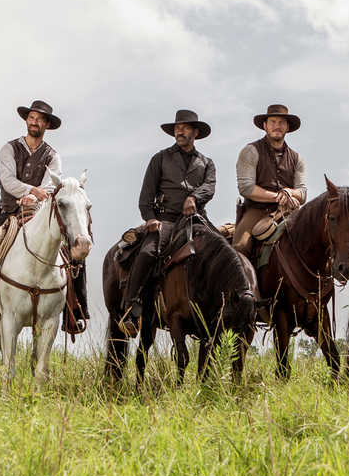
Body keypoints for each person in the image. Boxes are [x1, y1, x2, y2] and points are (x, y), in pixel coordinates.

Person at [0, 100, 63, 332]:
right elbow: (8, 180)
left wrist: (36, 198)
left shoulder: (53, 156)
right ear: (26, 120)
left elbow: (51, 186)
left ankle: (75, 309)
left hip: (40, 216)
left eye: (40, 119)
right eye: (32, 117)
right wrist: (31, 191)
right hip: (10, 213)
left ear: (47, 125)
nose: (35, 121)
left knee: (71, 256)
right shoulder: (9, 149)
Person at [121, 109, 216, 322]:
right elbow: (145, 197)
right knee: (147, 252)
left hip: (197, 219)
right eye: (177, 128)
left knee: (223, 251)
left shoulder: (207, 163)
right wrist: (151, 218)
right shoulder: (160, 159)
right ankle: (130, 306)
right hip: (167, 220)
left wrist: (194, 197)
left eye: (185, 128)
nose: (179, 131)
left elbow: (209, 187)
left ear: (196, 133)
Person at [233, 104, 307, 255]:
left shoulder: (297, 158)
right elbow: (246, 188)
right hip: (256, 211)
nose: (277, 126)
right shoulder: (250, 151)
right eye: (273, 122)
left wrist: (289, 192)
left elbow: (303, 193)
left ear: (287, 127)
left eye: (281, 123)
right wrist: (278, 197)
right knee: (240, 248)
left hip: (290, 212)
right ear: (265, 126)